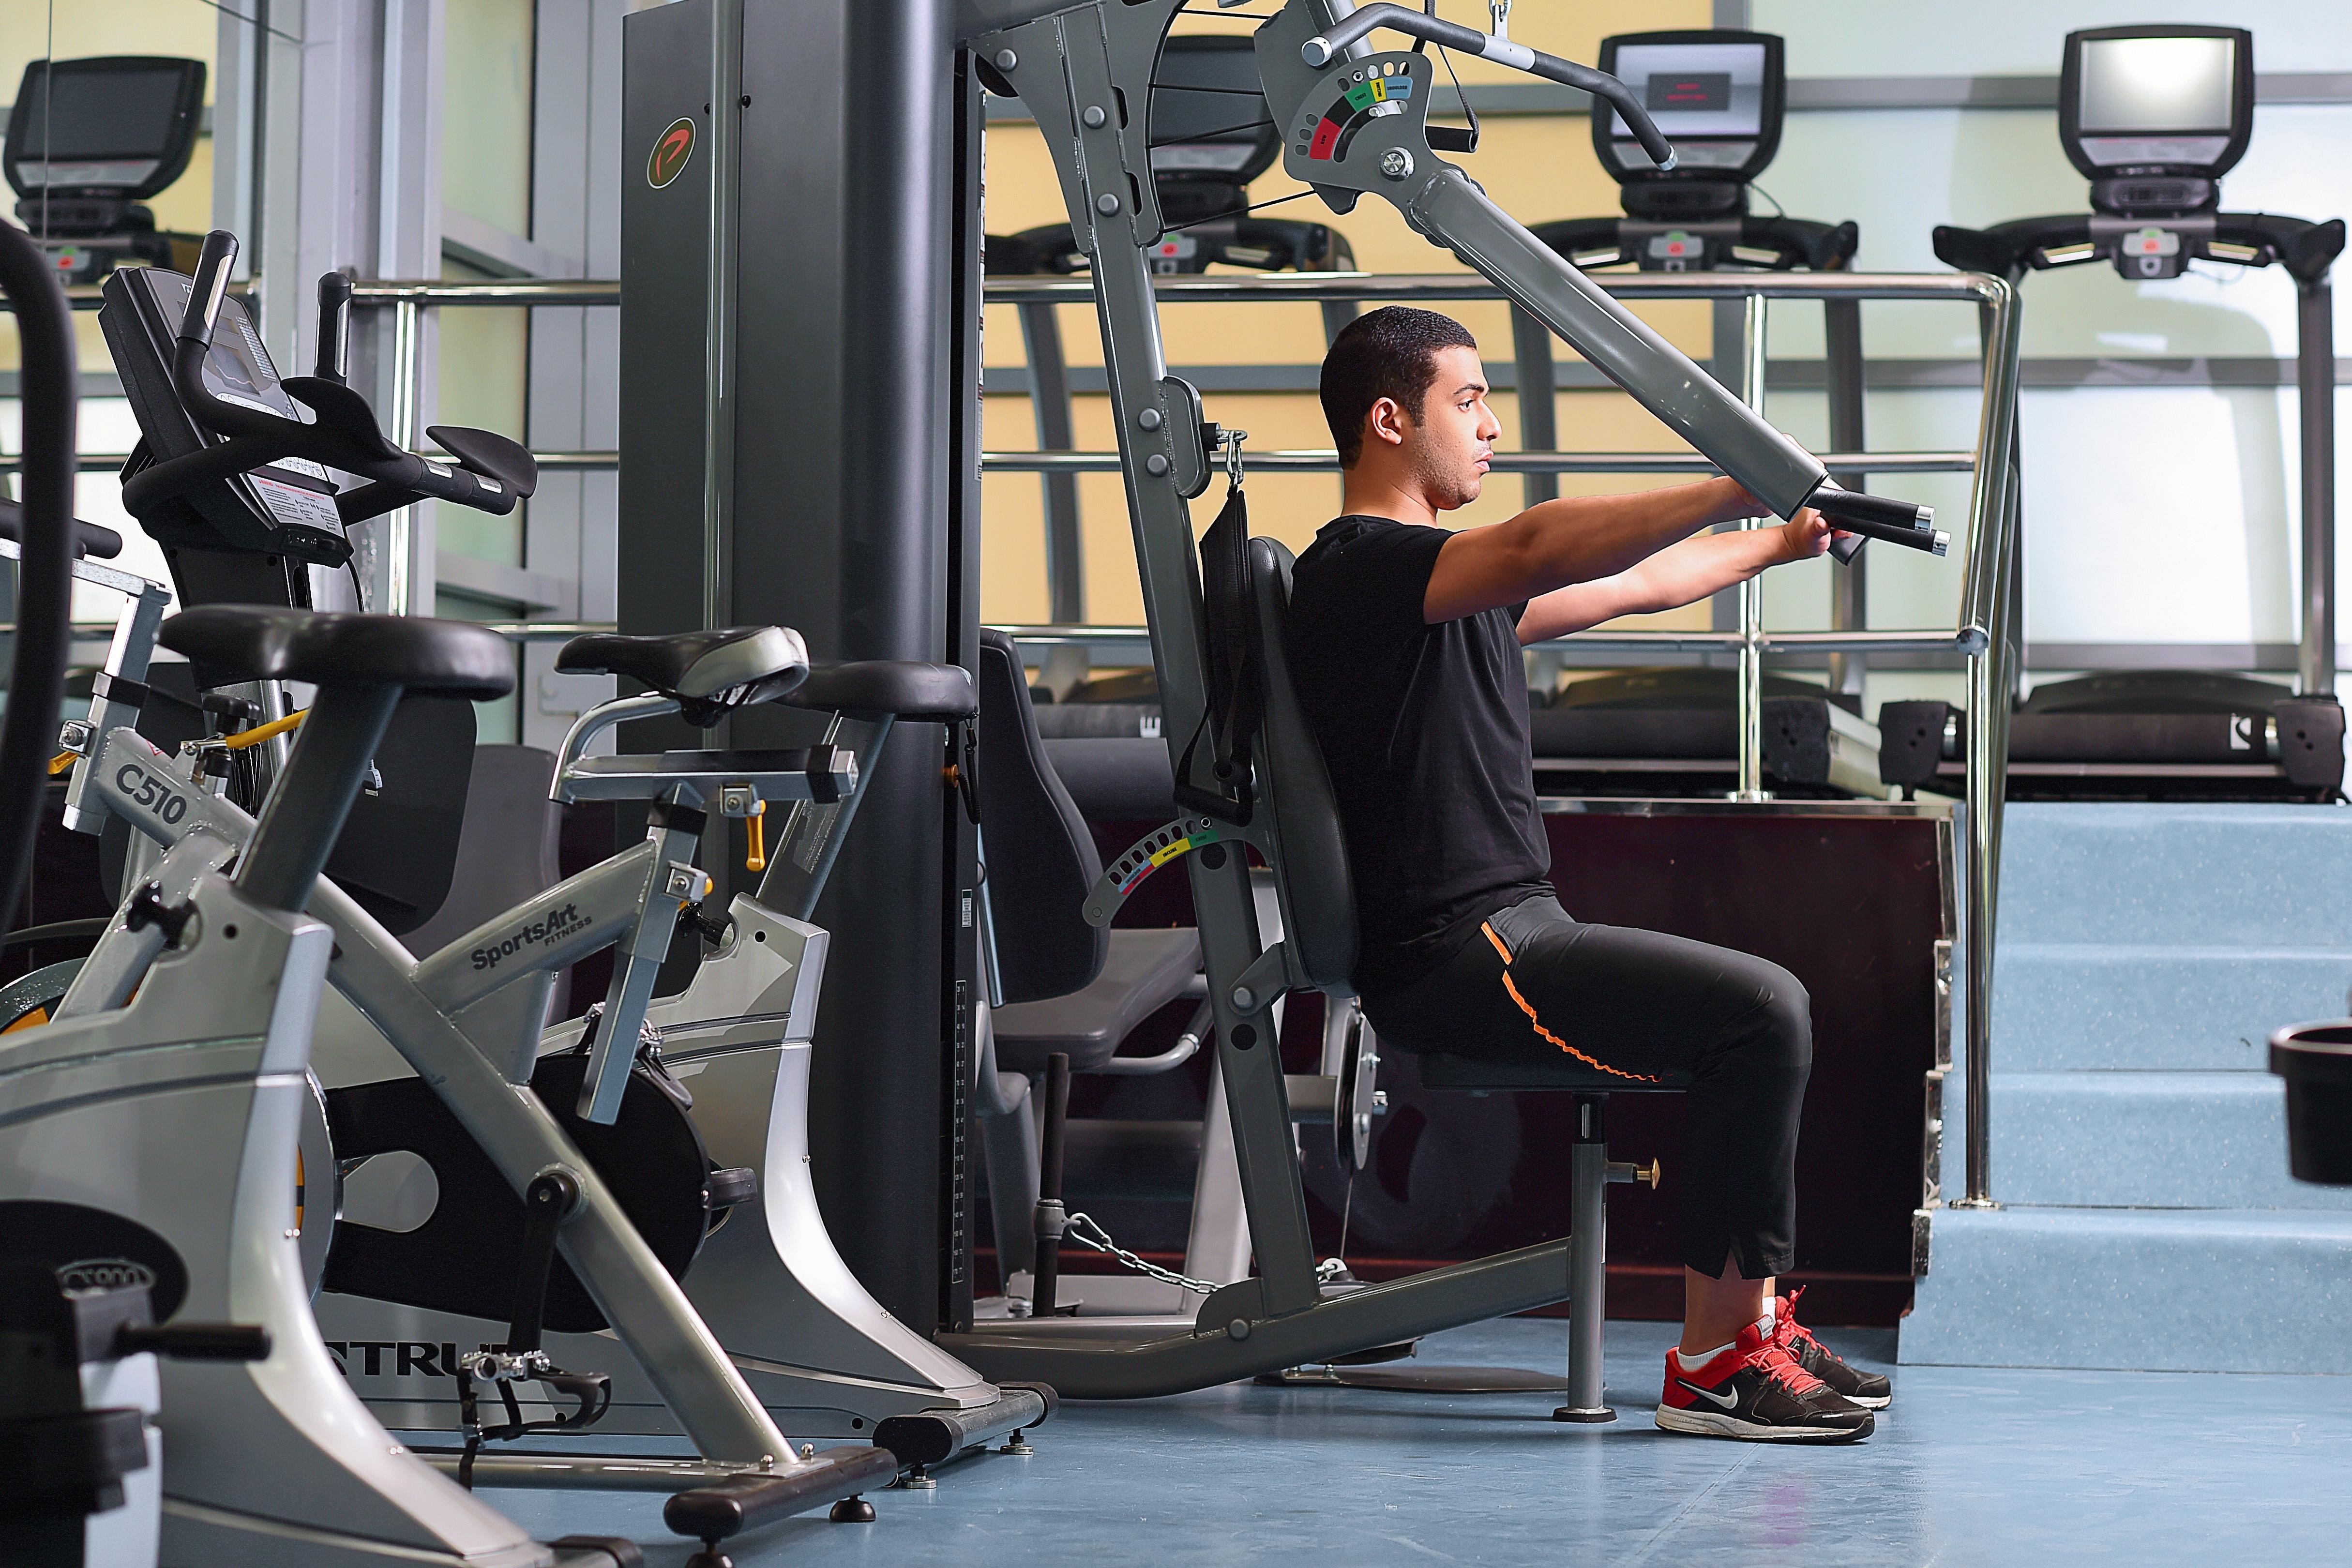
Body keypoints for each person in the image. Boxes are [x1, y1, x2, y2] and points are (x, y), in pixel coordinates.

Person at [1286, 305, 1889, 1443]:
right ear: (1387, 418)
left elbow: (1631, 587)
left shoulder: (1449, 591)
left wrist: (1778, 536)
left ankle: (1748, 1328)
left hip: (1515, 933)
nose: (1492, 426)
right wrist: (1733, 480)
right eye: (1466, 401)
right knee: (1759, 1014)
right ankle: (1719, 1364)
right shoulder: (1360, 572)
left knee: (1752, 1019)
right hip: (1460, 957)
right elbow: (1541, 545)